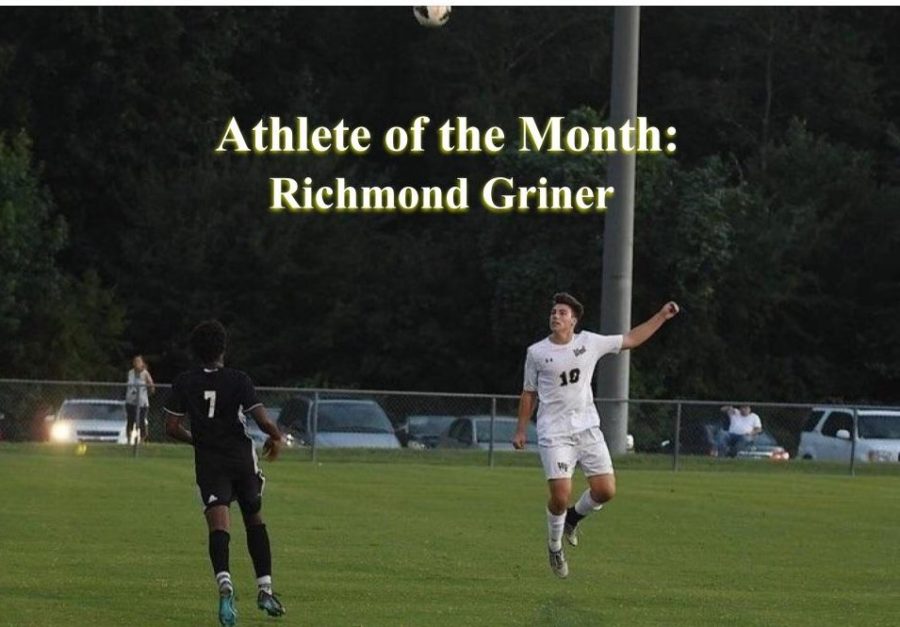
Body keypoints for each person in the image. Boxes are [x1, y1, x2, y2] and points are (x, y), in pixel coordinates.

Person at [513, 292, 679, 578]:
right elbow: (529, 393)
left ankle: (573, 520)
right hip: (555, 432)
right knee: (560, 495)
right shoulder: (537, 352)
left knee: (606, 491)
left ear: (574, 321)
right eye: (553, 312)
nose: (556, 316)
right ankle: (554, 546)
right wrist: (520, 429)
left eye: (562, 312)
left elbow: (631, 339)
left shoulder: (589, 342)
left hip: (587, 428)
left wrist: (662, 316)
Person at [164, 320, 286, 626]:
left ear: (194, 350)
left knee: (219, 525)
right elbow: (262, 421)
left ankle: (225, 584)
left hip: (210, 462)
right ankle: (266, 590)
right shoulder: (238, 379)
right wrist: (276, 437)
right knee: (254, 519)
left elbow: (171, 427)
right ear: (223, 348)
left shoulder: (184, 382)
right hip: (242, 460)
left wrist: (199, 440)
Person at [125, 355, 155, 443]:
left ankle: (142, 439)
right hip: (130, 401)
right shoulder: (130, 373)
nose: (136, 363)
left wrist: (146, 394)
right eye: (135, 361)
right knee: (130, 420)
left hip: (142, 402)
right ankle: (129, 440)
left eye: (138, 361)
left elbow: (152, 387)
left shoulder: (145, 374)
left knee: (141, 420)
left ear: (142, 363)